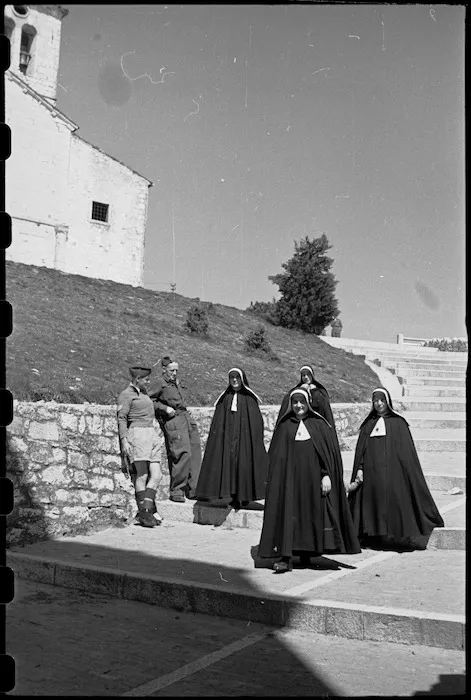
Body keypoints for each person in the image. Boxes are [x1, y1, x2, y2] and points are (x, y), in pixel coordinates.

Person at [258, 388, 361, 573]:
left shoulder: (318, 425)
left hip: (313, 481)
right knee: (289, 515)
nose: (299, 406)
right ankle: (285, 558)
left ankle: (306, 554)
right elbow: (276, 457)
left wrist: (326, 475)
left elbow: (327, 456)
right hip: (290, 482)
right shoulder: (284, 426)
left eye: (302, 402)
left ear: (308, 403)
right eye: (295, 402)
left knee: (309, 515)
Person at [347, 387, 445, 551]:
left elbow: (406, 455)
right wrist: (360, 468)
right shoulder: (368, 424)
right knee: (373, 504)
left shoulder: (399, 423)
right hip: (371, 475)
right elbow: (361, 452)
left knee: (393, 503)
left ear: (388, 401)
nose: (379, 404)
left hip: (393, 474)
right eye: (375, 401)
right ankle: (373, 536)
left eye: (382, 400)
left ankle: (394, 537)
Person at [195, 368, 269, 509]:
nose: (234, 380)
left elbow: (256, 422)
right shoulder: (225, 397)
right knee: (229, 466)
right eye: (232, 377)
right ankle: (232, 497)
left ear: (242, 378)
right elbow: (218, 422)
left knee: (244, 466)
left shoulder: (249, 398)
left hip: (244, 441)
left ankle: (245, 496)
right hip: (228, 441)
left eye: (237, 377)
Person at [149, 356, 202, 503]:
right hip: (174, 421)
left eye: (176, 370)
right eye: (172, 370)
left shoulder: (175, 383)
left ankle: (194, 488)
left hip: (185, 418)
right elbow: (149, 400)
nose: (174, 373)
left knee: (195, 451)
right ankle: (177, 490)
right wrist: (164, 408)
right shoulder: (159, 383)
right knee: (181, 452)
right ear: (164, 369)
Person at [117, 365, 163, 528]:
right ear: (137, 379)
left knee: (156, 475)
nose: (148, 382)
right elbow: (122, 417)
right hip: (138, 434)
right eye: (146, 379)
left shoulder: (143, 394)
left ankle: (146, 510)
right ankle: (145, 513)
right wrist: (124, 440)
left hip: (151, 434)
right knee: (142, 475)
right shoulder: (126, 395)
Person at [275, 364, 335, 430]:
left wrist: (313, 392)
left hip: (316, 426)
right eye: (303, 375)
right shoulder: (295, 391)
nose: (306, 377)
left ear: (312, 376)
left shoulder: (320, 392)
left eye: (308, 374)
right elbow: (287, 401)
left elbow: (325, 411)